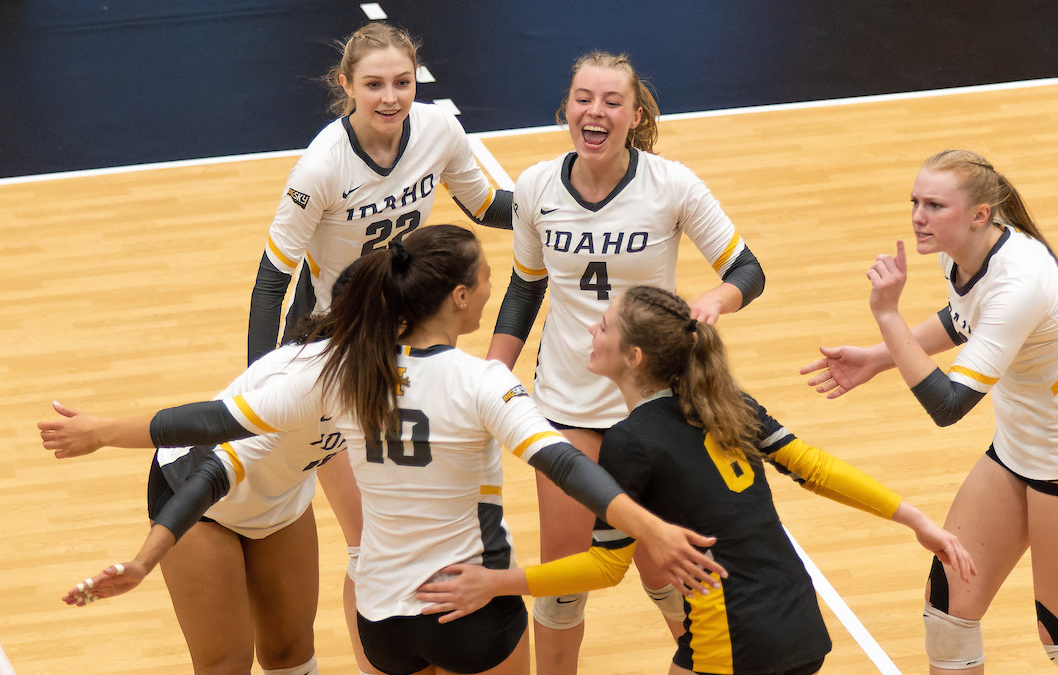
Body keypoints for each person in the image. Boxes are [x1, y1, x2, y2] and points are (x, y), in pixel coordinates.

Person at [42, 225, 726, 675]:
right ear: (458, 299)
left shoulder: (341, 372)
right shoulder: (451, 377)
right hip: (457, 595)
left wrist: (101, 433)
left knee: (293, 645)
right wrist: (651, 526)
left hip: (379, 615)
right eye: (489, 277)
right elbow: (566, 465)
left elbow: (204, 419)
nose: (500, 284)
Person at [417, 285, 975, 675]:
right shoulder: (728, 403)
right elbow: (817, 467)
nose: (593, 328)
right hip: (796, 615)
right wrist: (914, 518)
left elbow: (607, 568)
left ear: (632, 356)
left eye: (604, 325)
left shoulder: (630, 442)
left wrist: (497, 582)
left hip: (732, 636)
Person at [800, 150, 1058, 674]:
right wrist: (877, 357)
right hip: (1016, 453)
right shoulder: (961, 254)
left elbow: (950, 405)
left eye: (935, 205)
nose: (918, 216)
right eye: (915, 201)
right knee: (948, 608)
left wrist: (887, 316)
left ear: (981, 214)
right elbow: (963, 319)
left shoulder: (1019, 280)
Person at [487, 51, 766, 673]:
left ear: (635, 116)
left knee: (664, 565)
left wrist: (715, 300)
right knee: (562, 585)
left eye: (613, 102)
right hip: (566, 407)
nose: (597, 111)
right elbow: (525, 286)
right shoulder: (534, 187)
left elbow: (748, 270)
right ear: (566, 108)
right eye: (584, 98)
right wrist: (491, 370)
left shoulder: (672, 185)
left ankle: (709, 664)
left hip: (654, 407)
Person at [247, 23, 512, 666]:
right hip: (331, 354)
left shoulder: (438, 132)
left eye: (402, 82)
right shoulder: (322, 166)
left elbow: (486, 205)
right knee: (369, 542)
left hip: (404, 344)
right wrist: (261, 382)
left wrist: (569, 202)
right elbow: (271, 280)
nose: (390, 97)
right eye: (374, 85)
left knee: (410, 530)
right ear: (347, 87)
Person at [49, 264, 379, 675]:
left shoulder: (398, 372)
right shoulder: (303, 386)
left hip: (279, 496)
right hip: (200, 496)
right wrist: (142, 562)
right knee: (225, 665)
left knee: (290, 651)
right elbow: (210, 471)